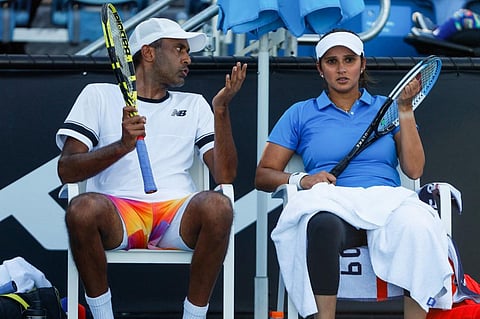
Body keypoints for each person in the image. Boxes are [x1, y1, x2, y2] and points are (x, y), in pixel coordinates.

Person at [55, 18, 247, 319]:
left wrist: (221, 111)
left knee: (218, 205)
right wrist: (121, 146)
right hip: (117, 216)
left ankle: (194, 317)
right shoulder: (97, 95)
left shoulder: (196, 104)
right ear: (148, 53)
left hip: (176, 215)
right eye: (179, 49)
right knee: (81, 209)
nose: (188, 59)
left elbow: (224, 176)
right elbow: (66, 170)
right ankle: (103, 316)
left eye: (188, 51)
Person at [255, 29, 453, 319]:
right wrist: (302, 180)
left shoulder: (389, 108)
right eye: (332, 61)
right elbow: (263, 174)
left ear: (362, 64)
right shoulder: (300, 113)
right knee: (321, 226)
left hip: (388, 203)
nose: (342, 68)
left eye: (349, 60)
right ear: (320, 68)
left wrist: (406, 110)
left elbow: (414, 169)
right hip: (334, 202)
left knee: (420, 225)